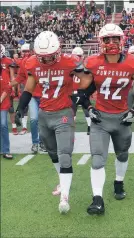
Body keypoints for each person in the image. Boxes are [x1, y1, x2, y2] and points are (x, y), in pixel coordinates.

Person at [77, 23, 134, 215]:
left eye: (115, 39)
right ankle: (97, 199)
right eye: (107, 39)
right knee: (97, 160)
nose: (111, 43)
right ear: (101, 41)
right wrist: (88, 108)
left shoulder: (132, 62)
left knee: (122, 154)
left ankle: (118, 182)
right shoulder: (93, 62)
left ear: (121, 41)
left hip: (122, 118)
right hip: (101, 119)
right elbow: (81, 92)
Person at [15, 31, 84, 214]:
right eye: (42, 58)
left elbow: (86, 80)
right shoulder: (32, 63)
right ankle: (62, 182)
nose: (46, 61)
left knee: (64, 155)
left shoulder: (70, 61)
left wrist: (81, 97)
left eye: (49, 57)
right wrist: (20, 107)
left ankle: (65, 198)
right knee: (53, 153)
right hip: (45, 113)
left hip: (63, 112)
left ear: (58, 51)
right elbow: (29, 88)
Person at [10, 43, 47, 153]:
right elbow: (21, 76)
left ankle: (42, 142)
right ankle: (35, 143)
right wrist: (9, 85)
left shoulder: (46, 60)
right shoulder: (26, 61)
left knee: (43, 120)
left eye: (28, 51)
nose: (27, 53)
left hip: (44, 95)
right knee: (34, 119)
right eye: (25, 51)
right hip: (31, 94)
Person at [71, 47, 91, 135]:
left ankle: (89, 127)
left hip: (81, 90)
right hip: (76, 90)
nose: (77, 58)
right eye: (77, 56)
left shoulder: (84, 65)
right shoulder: (71, 66)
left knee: (85, 109)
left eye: (78, 56)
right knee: (73, 110)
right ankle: (72, 128)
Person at [0, 46, 13, 159]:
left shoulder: (4, 71)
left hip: (2, 103)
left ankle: (6, 150)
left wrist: (0, 99)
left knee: (3, 125)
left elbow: (7, 88)